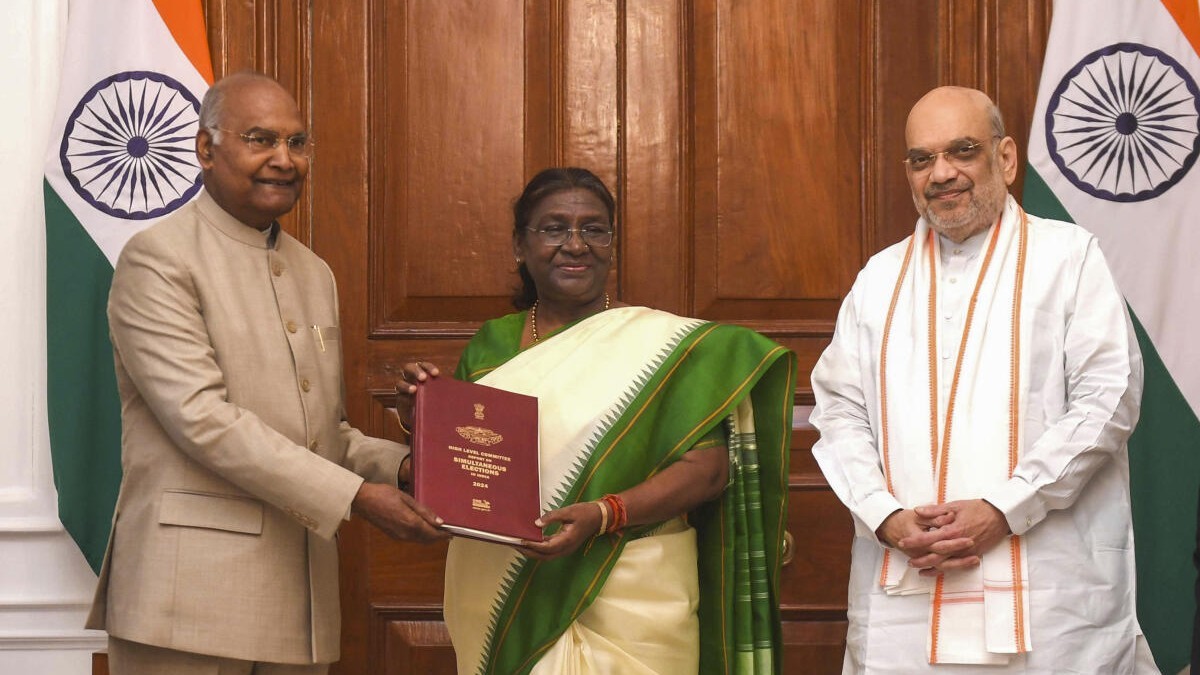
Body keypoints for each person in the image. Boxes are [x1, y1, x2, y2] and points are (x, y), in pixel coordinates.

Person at [85, 72, 448, 675]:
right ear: (206, 148)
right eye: (261, 140)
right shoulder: (159, 258)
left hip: (298, 603)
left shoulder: (313, 273)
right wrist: (358, 497)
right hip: (187, 603)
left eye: (298, 143)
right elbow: (204, 421)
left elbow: (323, 434)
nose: (284, 160)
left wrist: (414, 467)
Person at [810, 86, 1157, 673]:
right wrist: (884, 515)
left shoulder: (1068, 258)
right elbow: (840, 408)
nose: (941, 174)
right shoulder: (879, 277)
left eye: (962, 151)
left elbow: (1109, 398)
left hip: (1049, 604)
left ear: (1005, 158)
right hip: (906, 601)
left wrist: (1004, 505)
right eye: (922, 159)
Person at [398, 167, 796, 674]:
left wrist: (606, 514)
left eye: (594, 229)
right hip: (510, 584)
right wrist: (423, 417)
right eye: (553, 228)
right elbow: (470, 469)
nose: (575, 244)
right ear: (520, 245)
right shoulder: (492, 345)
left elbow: (711, 469)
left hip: (636, 581)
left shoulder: (663, 346)